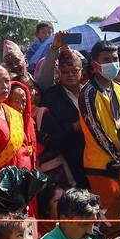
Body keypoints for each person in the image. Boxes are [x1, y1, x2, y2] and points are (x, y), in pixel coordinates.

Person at [78, 41, 120, 239]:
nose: (113, 64)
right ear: (95, 64)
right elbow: (97, 130)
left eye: (115, 60)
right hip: (103, 167)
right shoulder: (88, 93)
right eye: (107, 60)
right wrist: (118, 159)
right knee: (109, 224)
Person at [37, 46, 89, 188]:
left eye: (74, 71)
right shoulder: (51, 96)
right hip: (70, 159)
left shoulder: (90, 91)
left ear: (81, 71)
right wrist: (74, 127)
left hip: (96, 158)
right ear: (58, 73)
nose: (70, 75)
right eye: (65, 72)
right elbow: (50, 134)